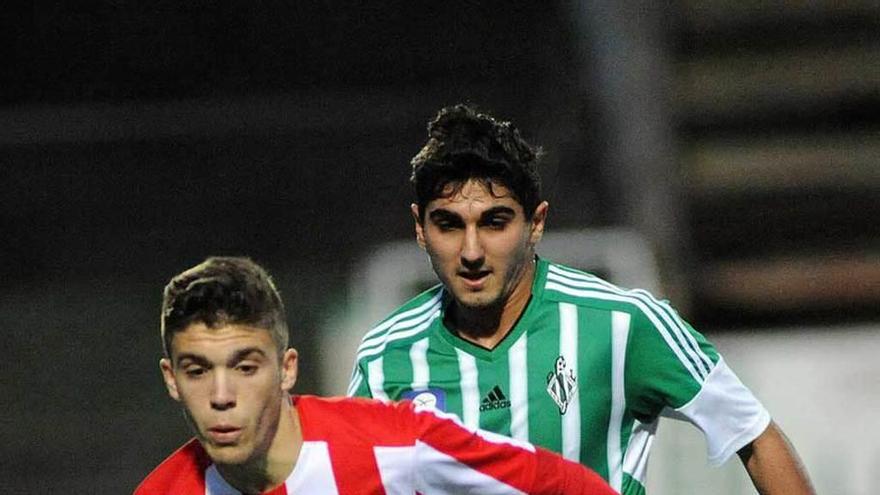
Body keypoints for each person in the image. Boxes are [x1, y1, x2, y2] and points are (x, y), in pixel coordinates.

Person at [347, 104, 815, 494]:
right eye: (449, 224)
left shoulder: (623, 323)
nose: (471, 251)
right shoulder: (385, 358)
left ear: (536, 223)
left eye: (495, 222)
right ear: (419, 228)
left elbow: (756, 434)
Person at [135, 256, 617, 494]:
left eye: (245, 367)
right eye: (197, 371)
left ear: (286, 370)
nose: (222, 396)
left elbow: (555, 483)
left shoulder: (394, 446)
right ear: (171, 379)